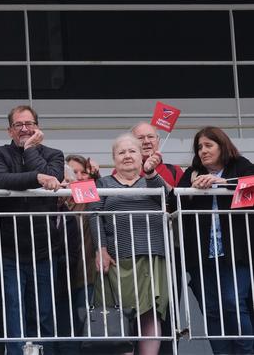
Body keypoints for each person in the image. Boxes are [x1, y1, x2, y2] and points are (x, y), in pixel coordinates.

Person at [0, 105, 64, 355]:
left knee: (43, 314)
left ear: (37, 127)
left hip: (44, 249)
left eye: (29, 124)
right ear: (9, 130)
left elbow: (53, 176)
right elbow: (0, 180)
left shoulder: (54, 154)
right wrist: (37, 179)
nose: (24, 129)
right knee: (14, 313)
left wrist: (31, 150)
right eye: (18, 125)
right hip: (10, 250)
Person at [88, 133, 169, 355]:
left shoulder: (151, 180)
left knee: (150, 313)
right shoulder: (103, 183)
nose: (127, 156)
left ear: (142, 156)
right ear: (113, 159)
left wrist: (152, 173)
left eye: (132, 151)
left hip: (150, 256)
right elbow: (94, 216)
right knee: (117, 314)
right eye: (121, 152)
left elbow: (168, 198)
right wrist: (101, 250)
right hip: (115, 259)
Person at [175, 126, 254, 354]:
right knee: (211, 309)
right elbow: (174, 200)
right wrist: (191, 188)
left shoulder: (240, 165)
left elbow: (250, 183)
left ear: (222, 146)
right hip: (202, 254)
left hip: (236, 253)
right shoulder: (192, 172)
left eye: (209, 145)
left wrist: (221, 183)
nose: (203, 151)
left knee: (233, 303)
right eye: (199, 147)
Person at [53, 156, 99, 354]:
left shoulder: (87, 200)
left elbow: (98, 197)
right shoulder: (55, 203)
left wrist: (96, 177)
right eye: (73, 172)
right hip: (61, 279)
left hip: (86, 276)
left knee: (86, 333)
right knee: (64, 333)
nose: (78, 177)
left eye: (83, 173)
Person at [129, 122, 183, 189]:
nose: (146, 141)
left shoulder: (175, 171)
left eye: (150, 137)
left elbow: (182, 198)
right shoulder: (123, 170)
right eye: (140, 138)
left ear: (158, 140)